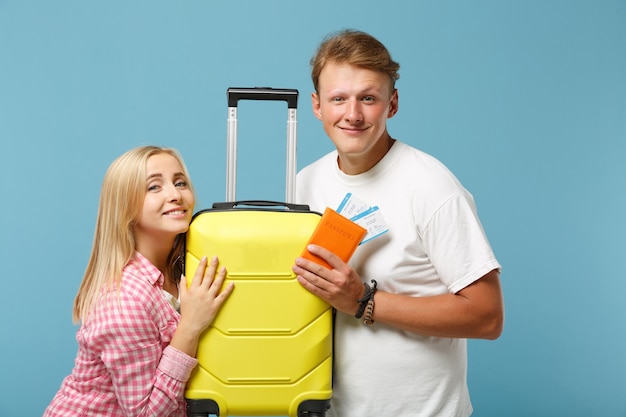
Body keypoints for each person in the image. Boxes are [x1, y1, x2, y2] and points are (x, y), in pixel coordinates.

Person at [292, 29, 504, 417]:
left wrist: (364, 301)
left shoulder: (433, 187)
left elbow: (488, 316)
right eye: (338, 98)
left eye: (368, 98)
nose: (352, 114)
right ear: (317, 106)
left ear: (392, 104)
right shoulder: (303, 183)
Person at [44, 146, 234, 416]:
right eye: (154, 187)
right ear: (126, 206)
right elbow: (145, 413)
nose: (175, 194)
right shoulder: (125, 300)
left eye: (180, 182)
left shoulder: (184, 268)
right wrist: (190, 326)